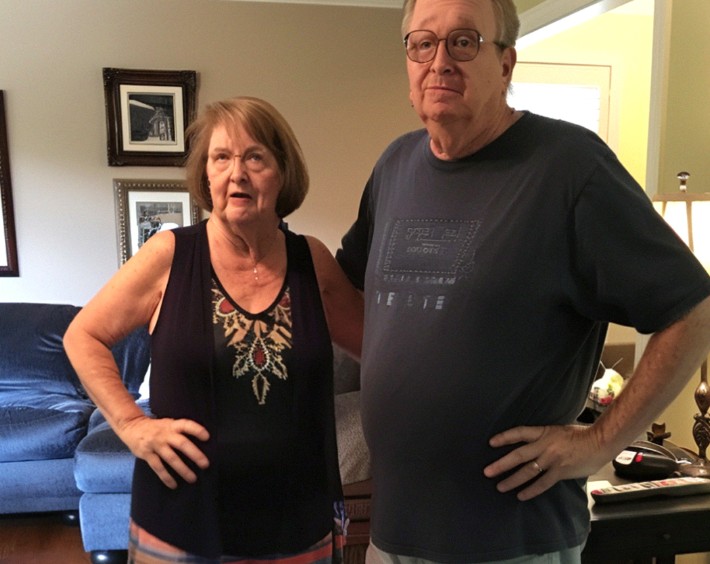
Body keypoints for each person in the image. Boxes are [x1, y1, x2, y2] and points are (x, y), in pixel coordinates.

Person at [335, 0, 710, 562]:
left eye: (464, 41)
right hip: (394, 538)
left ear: (506, 63)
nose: (440, 61)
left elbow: (692, 310)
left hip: (513, 540)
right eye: (423, 43)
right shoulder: (395, 166)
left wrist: (599, 442)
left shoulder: (570, 167)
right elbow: (347, 292)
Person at [64, 96, 363, 563]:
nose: (236, 173)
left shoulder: (312, 260)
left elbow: (379, 347)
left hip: (297, 522)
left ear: (283, 173)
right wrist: (131, 424)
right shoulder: (169, 255)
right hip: (181, 523)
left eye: (255, 157)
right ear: (206, 175)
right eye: (221, 157)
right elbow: (83, 336)